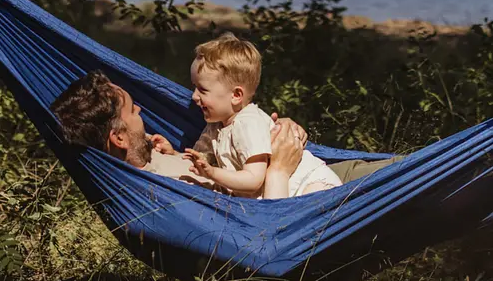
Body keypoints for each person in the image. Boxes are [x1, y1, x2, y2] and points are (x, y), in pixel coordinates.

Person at [52, 70, 401, 197]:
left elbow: (222, 148)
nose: (141, 110)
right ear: (119, 139)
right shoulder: (158, 193)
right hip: (302, 195)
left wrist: (269, 129)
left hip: (312, 171)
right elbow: (266, 230)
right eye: (132, 110)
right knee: (416, 185)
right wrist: (278, 167)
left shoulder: (152, 156)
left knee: (413, 168)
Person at [182, 33, 341, 197]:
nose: (194, 96)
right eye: (194, 87)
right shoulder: (216, 124)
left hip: (311, 183)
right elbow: (201, 158)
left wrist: (213, 173)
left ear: (236, 95)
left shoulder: (248, 124)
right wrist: (175, 154)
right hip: (281, 194)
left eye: (202, 90)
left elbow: (253, 180)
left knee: (310, 209)